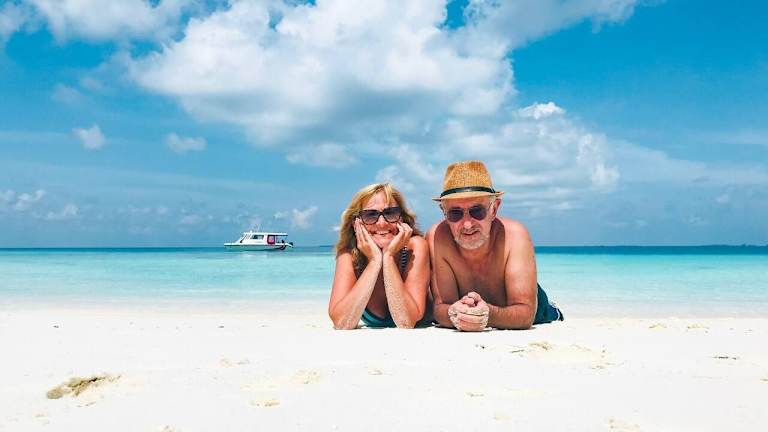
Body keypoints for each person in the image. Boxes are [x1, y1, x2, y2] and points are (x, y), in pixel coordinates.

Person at [426, 160, 563, 331]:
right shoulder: (437, 237)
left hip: (536, 311)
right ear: (444, 212)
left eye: (477, 211)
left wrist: (488, 315)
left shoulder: (515, 235)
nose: (467, 224)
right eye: (455, 213)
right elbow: (441, 307)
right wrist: (454, 313)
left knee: (547, 311)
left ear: (494, 209)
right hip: (475, 310)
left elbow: (526, 314)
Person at [329, 183, 430, 329]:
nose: (382, 223)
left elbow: (406, 321)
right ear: (356, 223)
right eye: (370, 215)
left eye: (390, 213)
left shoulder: (414, 248)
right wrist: (374, 260)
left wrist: (388, 257)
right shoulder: (349, 256)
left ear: (401, 219)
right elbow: (342, 323)